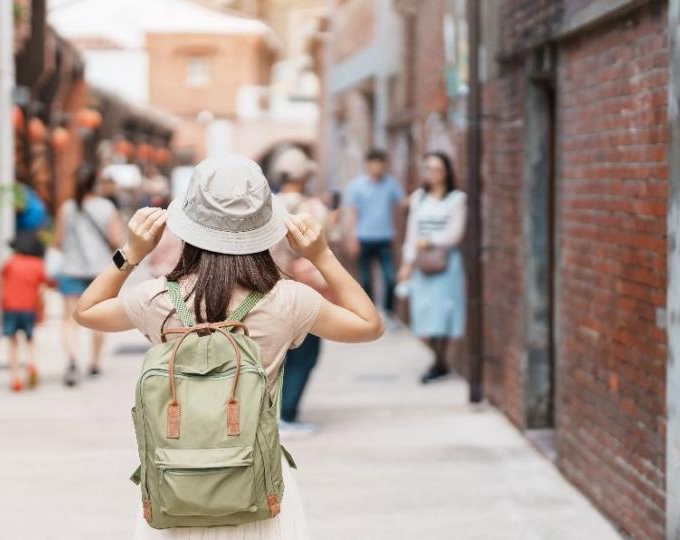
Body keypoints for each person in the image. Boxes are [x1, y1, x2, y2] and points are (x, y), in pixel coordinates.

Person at [73, 154, 384, 538]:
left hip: (176, 489)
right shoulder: (287, 300)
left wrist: (131, 253)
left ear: (187, 224)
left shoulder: (159, 300)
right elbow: (369, 325)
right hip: (256, 490)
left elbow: (86, 311)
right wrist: (322, 256)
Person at [269, 146, 330, 433]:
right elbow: (325, 245)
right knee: (306, 350)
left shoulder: (265, 207)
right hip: (304, 291)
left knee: (275, 353)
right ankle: (288, 413)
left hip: (268, 289)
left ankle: (273, 412)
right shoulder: (313, 208)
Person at [397, 151, 467, 384]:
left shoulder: (457, 199)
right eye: (428, 169)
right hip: (422, 265)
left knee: (444, 312)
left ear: (447, 171)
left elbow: (456, 234)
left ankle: (440, 362)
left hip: (446, 264)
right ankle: (438, 361)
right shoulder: (419, 198)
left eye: (438, 169)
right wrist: (407, 264)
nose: (433, 174)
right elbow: (411, 234)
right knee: (426, 312)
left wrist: (432, 241)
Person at [53, 162, 123, 385]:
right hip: (100, 272)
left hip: (71, 268)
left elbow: (58, 241)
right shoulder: (107, 208)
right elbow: (116, 241)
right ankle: (94, 364)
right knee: (99, 319)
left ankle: (73, 359)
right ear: (97, 184)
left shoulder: (68, 208)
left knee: (69, 320)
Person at [344, 149, 405, 321]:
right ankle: (369, 315)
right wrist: (352, 237)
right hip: (363, 238)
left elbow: (403, 204)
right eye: (375, 162)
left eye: (382, 163)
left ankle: (388, 313)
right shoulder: (356, 185)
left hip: (385, 238)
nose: (379, 167)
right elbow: (353, 213)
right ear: (368, 164)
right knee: (365, 280)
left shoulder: (391, 184)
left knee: (390, 278)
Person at [0, 231, 51, 392]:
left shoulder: (10, 263)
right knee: (30, 339)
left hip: (10, 308)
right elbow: (42, 288)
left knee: (13, 341)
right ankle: (32, 363)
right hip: (29, 308)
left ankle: (16, 377)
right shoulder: (38, 265)